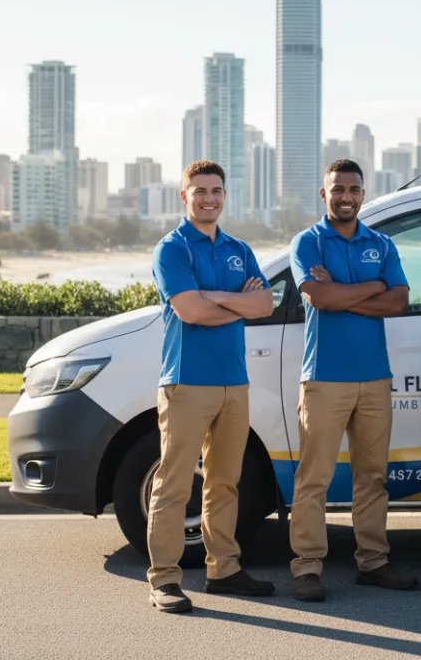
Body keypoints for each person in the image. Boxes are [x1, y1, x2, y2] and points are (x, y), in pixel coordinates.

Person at [146, 160, 276, 614]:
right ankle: (164, 579)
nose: (209, 198)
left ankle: (223, 569)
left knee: (225, 482)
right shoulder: (172, 249)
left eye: (216, 190)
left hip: (232, 383)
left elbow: (266, 303)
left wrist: (216, 298)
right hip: (186, 382)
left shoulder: (238, 247)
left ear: (225, 195)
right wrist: (236, 303)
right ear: (184, 196)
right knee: (175, 483)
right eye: (199, 190)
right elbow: (189, 312)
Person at [287, 158, 415, 603]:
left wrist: (343, 294)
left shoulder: (380, 243)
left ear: (364, 194)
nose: (346, 196)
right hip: (324, 378)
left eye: (354, 189)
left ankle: (373, 562)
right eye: (337, 189)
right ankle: (306, 567)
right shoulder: (307, 242)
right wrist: (369, 288)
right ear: (325, 195)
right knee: (314, 478)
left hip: (375, 378)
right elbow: (318, 296)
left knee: (373, 477)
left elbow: (399, 301)